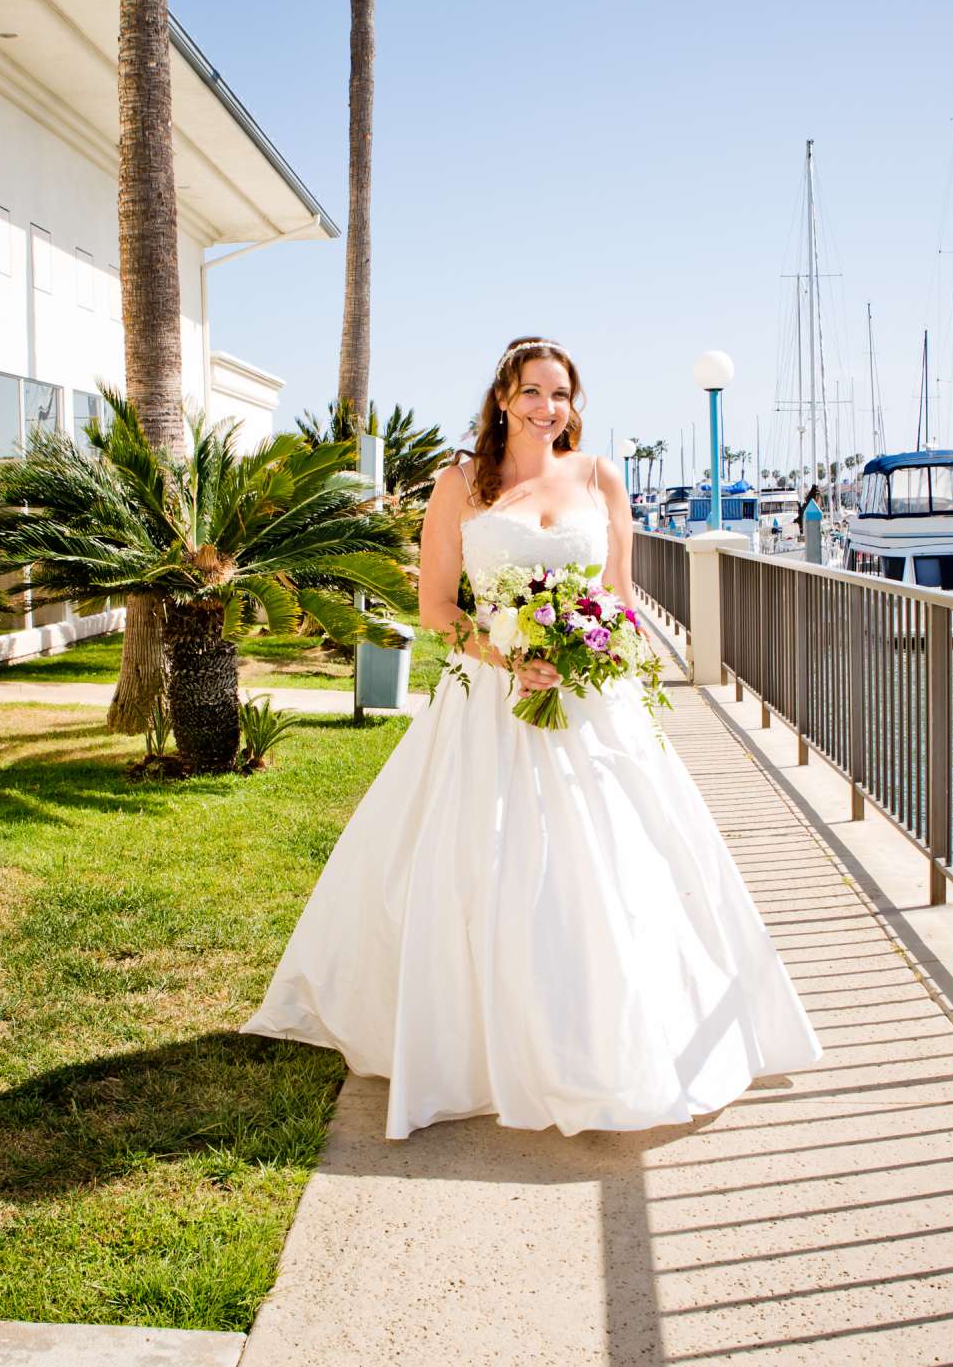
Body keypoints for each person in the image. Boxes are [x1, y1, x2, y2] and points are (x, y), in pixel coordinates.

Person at [239, 337, 824, 1140]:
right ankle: (478, 1046)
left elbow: (620, 597)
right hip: (488, 698)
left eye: (563, 394)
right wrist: (506, 654)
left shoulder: (599, 476)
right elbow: (439, 606)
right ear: (503, 398)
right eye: (534, 391)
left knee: (611, 863)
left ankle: (607, 1042)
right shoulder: (460, 483)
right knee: (485, 854)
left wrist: (589, 651)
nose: (550, 407)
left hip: (591, 703)